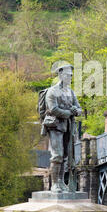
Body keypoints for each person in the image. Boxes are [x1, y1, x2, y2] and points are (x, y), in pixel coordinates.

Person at [43, 64, 82, 193]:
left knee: (65, 156)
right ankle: (54, 184)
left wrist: (76, 110)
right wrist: (68, 113)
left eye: (71, 75)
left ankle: (60, 182)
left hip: (68, 127)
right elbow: (53, 109)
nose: (70, 77)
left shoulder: (70, 92)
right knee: (57, 155)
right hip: (55, 126)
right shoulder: (52, 91)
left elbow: (79, 108)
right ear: (60, 75)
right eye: (67, 75)